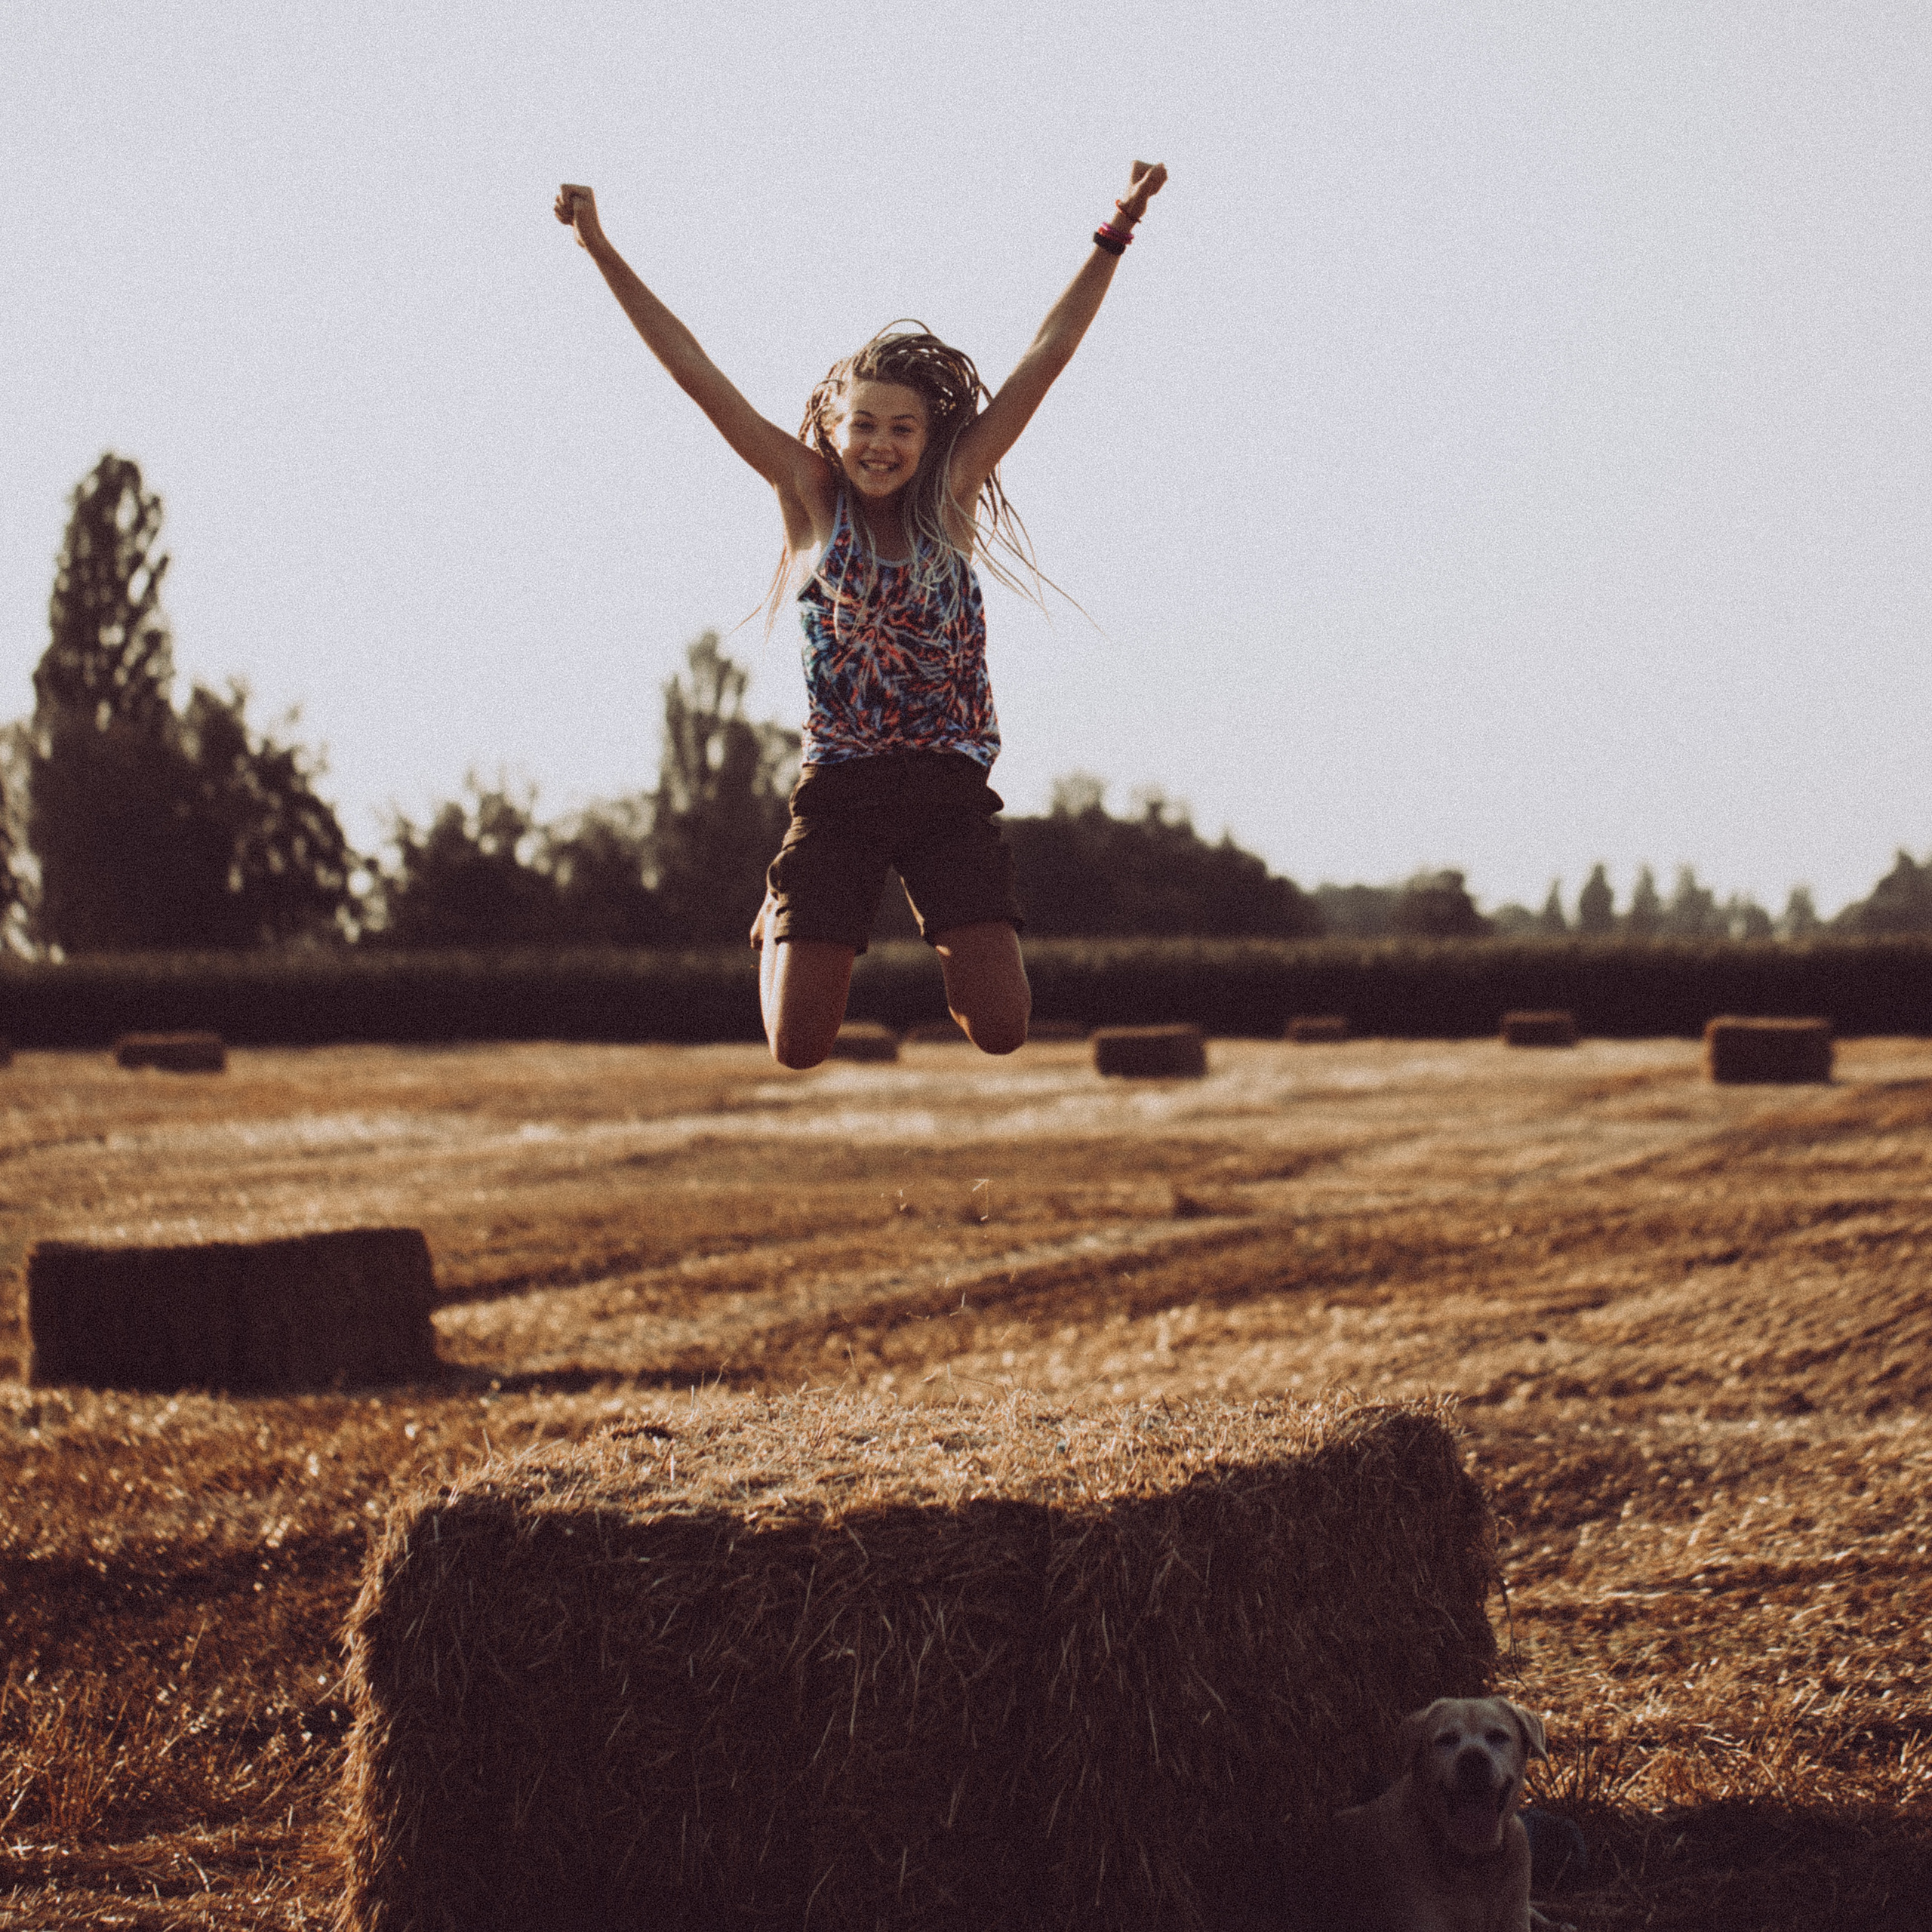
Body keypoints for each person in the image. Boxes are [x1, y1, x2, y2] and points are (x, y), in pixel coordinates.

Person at [554, 162, 1168, 1068]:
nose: (880, 444)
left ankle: (889, 932)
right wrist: (601, 249)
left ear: (931, 440)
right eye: (863, 425)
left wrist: (1116, 226)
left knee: (1001, 1029)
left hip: (946, 793)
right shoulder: (808, 500)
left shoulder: (950, 499)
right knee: (798, 1048)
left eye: (902, 428)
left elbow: (1049, 353)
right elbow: (695, 372)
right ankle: (782, 910)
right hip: (839, 794)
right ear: (833, 432)